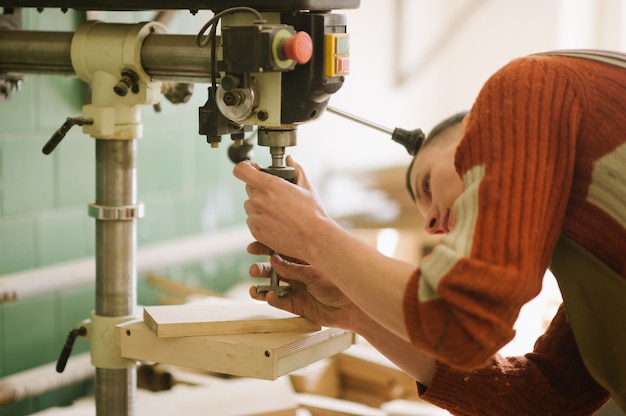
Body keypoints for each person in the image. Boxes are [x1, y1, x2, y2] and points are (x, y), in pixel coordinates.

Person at [233, 52, 626, 415]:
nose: (433, 227)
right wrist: (358, 312)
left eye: (425, 186)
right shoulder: (597, 246)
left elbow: (460, 320)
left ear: (469, 132)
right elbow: (542, 400)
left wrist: (312, 233)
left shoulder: (526, 87)